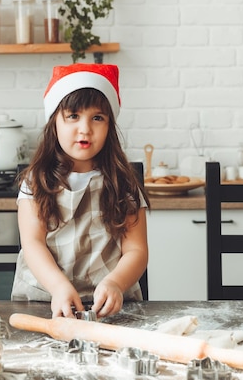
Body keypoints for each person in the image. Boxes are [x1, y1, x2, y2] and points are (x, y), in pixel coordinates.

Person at [11, 63, 150, 318]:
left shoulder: (123, 183)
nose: (85, 128)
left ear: (109, 126)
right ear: (54, 122)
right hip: (43, 302)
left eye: (97, 118)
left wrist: (116, 283)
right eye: (73, 116)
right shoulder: (36, 181)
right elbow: (33, 243)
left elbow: (137, 250)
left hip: (110, 306)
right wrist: (59, 287)